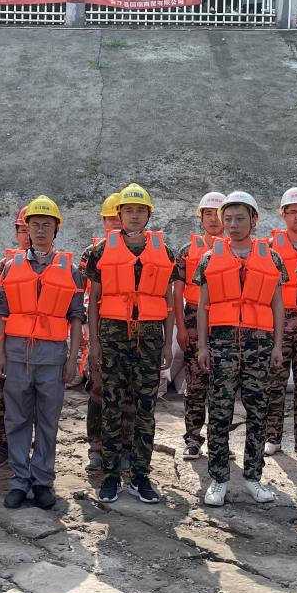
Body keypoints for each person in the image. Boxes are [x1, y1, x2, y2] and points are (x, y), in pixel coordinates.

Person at [83, 183, 177, 504]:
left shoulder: (165, 252)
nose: (134, 216)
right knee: (111, 406)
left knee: (145, 408)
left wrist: (167, 345)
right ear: (119, 214)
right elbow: (94, 302)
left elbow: (168, 302)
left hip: (150, 340)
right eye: (128, 210)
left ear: (149, 215)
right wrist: (94, 344)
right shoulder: (100, 252)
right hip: (112, 337)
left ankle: (140, 474)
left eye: (140, 211)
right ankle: (111, 474)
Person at [193, 191, 286, 507]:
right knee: (219, 413)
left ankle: (253, 477)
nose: (233, 225)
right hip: (222, 347)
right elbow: (203, 307)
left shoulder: (272, 257)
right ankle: (218, 479)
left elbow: (277, 304)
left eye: (240, 218)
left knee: (258, 413)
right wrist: (203, 346)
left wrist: (277, 345)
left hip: (259, 347)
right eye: (228, 219)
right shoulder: (210, 258)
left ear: (254, 220)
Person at [0, 196, 84, 510]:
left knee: (47, 420)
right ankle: (19, 481)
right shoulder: (10, 266)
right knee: (17, 419)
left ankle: (42, 480)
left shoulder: (71, 269)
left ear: (56, 229)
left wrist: (73, 359)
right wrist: (1, 354)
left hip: (53, 356)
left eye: (47, 224)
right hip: (17, 354)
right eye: (35, 224)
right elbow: (2, 313)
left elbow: (76, 317)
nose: (41, 230)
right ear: (27, 229)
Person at [264, 187, 297, 459]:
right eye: (293, 211)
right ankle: (272, 437)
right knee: (275, 382)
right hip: (280, 323)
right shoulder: (269, 247)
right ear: (282, 214)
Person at [175, 191, 225, 460]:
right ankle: (193, 439)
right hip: (194, 320)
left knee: (223, 385)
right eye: (208, 214)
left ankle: (220, 441)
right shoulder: (187, 251)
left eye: (218, 214)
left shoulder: (236, 250)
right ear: (201, 217)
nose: (213, 219)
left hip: (224, 321)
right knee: (195, 383)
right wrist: (181, 328)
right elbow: (177, 293)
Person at [0, 206, 31, 470]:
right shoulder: (5, 267)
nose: (27, 235)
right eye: (22, 230)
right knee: (7, 398)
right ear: (16, 234)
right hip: (13, 343)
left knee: (39, 402)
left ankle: (33, 449)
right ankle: (3, 447)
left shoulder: (55, 266)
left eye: (30, 229)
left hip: (42, 344)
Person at [82, 193, 123, 471]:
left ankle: (125, 448)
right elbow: (84, 297)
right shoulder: (92, 253)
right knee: (97, 390)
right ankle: (96, 448)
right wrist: (90, 341)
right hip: (99, 331)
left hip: (128, 333)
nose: (115, 223)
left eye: (118, 218)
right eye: (110, 219)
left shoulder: (141, 251)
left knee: (128, 394)